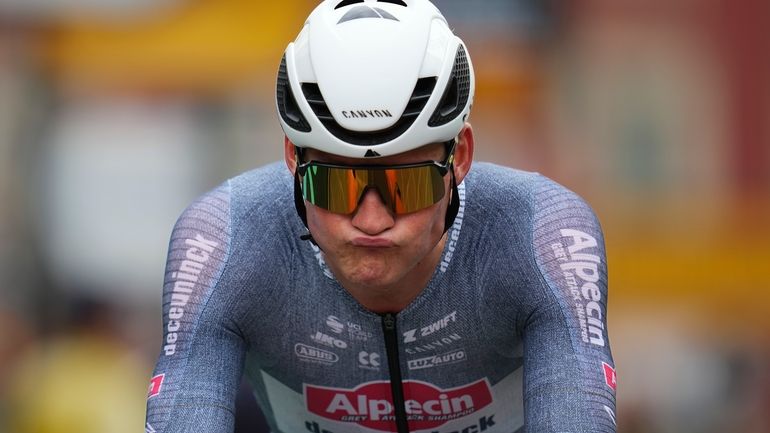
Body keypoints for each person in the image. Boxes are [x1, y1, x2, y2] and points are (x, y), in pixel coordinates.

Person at [144, 1, 617, 432]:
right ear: (293, 159)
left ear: (460, 159)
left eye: (406, 186)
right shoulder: (226, 238)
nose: (371, 221)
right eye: (335, 185)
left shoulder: (540, 230)